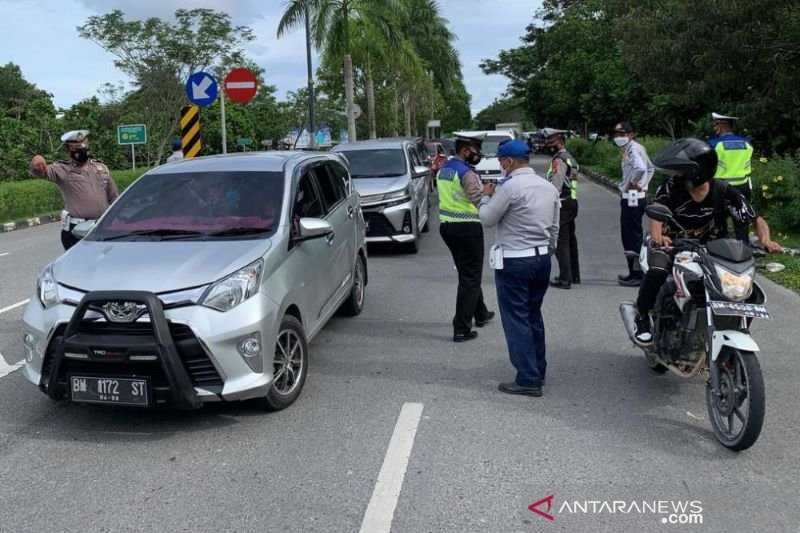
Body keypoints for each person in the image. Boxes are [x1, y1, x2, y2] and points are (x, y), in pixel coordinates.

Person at [633, 138, 782, 343]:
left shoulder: (723, 191)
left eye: (681, 172)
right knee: (657, 271)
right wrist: (659, 236)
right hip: (672, 245)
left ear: (697, 171)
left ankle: (734, 328)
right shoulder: (671, 187)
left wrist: (766, 240)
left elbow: (755, 219)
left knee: (744, 288)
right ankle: (641, 317)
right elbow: (657, 213)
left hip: (714, 250)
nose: (677, 176)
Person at [478, 140, 560, 397]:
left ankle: (527, 378)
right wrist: (546, 250)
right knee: (533, 315)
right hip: (542, 258)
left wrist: (484, 196)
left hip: (515, 260)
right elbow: (555, 228)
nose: (501, 166)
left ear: (509, 162)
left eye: (501, 162)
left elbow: (487, 219)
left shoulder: (510, 188)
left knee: (516, 319)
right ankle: (539, 370)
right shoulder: (548, 187)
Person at [438, 135, 496, 342]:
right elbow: (479, 201)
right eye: (475, 151)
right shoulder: (467, 174)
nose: (477, 155)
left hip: (447, 227)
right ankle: (461, 328)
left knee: (467, 273)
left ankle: (480, 313)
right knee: (470, 278)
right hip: (467, 229)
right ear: (465, 151)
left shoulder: (445, 168)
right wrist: (488, 192)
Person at [29, 130, 119, 250]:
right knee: (80, 266)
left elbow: (114, 198)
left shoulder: (100, 168)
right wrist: (37, 165)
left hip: (101, 227)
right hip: (76, 230)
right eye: (76, 147)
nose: (82, 149)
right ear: (68, 150)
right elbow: (42, 172)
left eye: (84, 145)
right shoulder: (62, 169)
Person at [613, 122, 655, 287]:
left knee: (631, 235)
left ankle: (637, 274)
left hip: (633, 197)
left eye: (622, 134)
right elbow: (651, 168)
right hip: (637, 195)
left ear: (631, 135)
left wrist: (634, 183)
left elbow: (641, 168)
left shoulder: (632, 149)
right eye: (616, 134)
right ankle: (634, 272)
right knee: (632, 233)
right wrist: (644, 185)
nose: (618, 137)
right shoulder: (636, 148)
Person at [543, 128, 580, 289]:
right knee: (571, 240)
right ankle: (574, 274)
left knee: (561, 242)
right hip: (572, 202)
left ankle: (565, 278)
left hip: (562, 203)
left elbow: (556, 186)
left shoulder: (559, 160)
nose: (549, 145)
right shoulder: (570, 157)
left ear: (560, 142)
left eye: (552, 142)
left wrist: (548, 203)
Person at [708, 112, 753, 244]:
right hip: (743, 187)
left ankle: (721, 251)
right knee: (742, 221)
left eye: (715, 125)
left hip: (720, 188)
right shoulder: (747, 143)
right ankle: (744, 250)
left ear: (722, 125)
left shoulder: (714, 144)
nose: (714, 128)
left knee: (719, 222)